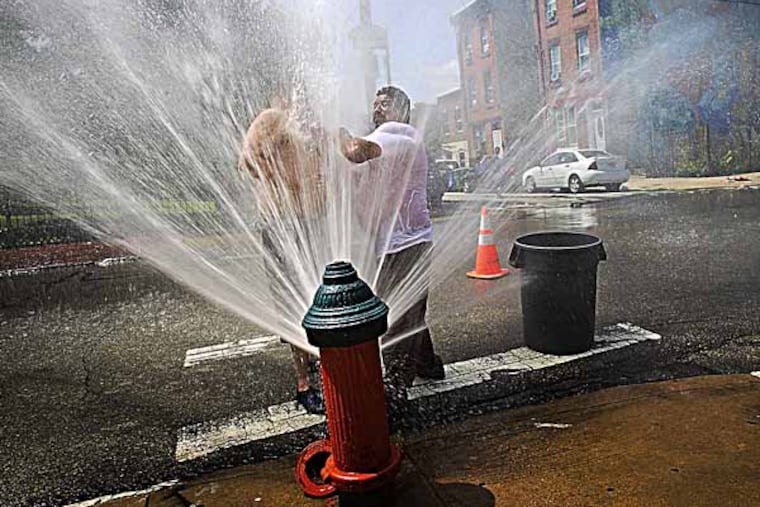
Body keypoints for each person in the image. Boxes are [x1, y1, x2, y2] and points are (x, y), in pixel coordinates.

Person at [339, 85, 445, 393]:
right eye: (375, 104)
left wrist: (337, 132)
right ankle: (428, 364)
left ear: (400, 110)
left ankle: (396, 387)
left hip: (406, 245)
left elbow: (355, 152)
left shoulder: (398, 136)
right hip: (399, 243)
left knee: (395, 313)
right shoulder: (391, 140)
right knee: (410, 306)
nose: (377, 109)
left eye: (384, 105)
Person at [237, 107, 326, 414]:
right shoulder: (271, 119)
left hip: (312, 221)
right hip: (283, 224)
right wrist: (284, 183)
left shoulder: (309, 122)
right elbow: (246, 160)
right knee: (293, 302)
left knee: (316, 298)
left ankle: (316, 361)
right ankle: (304, 384)